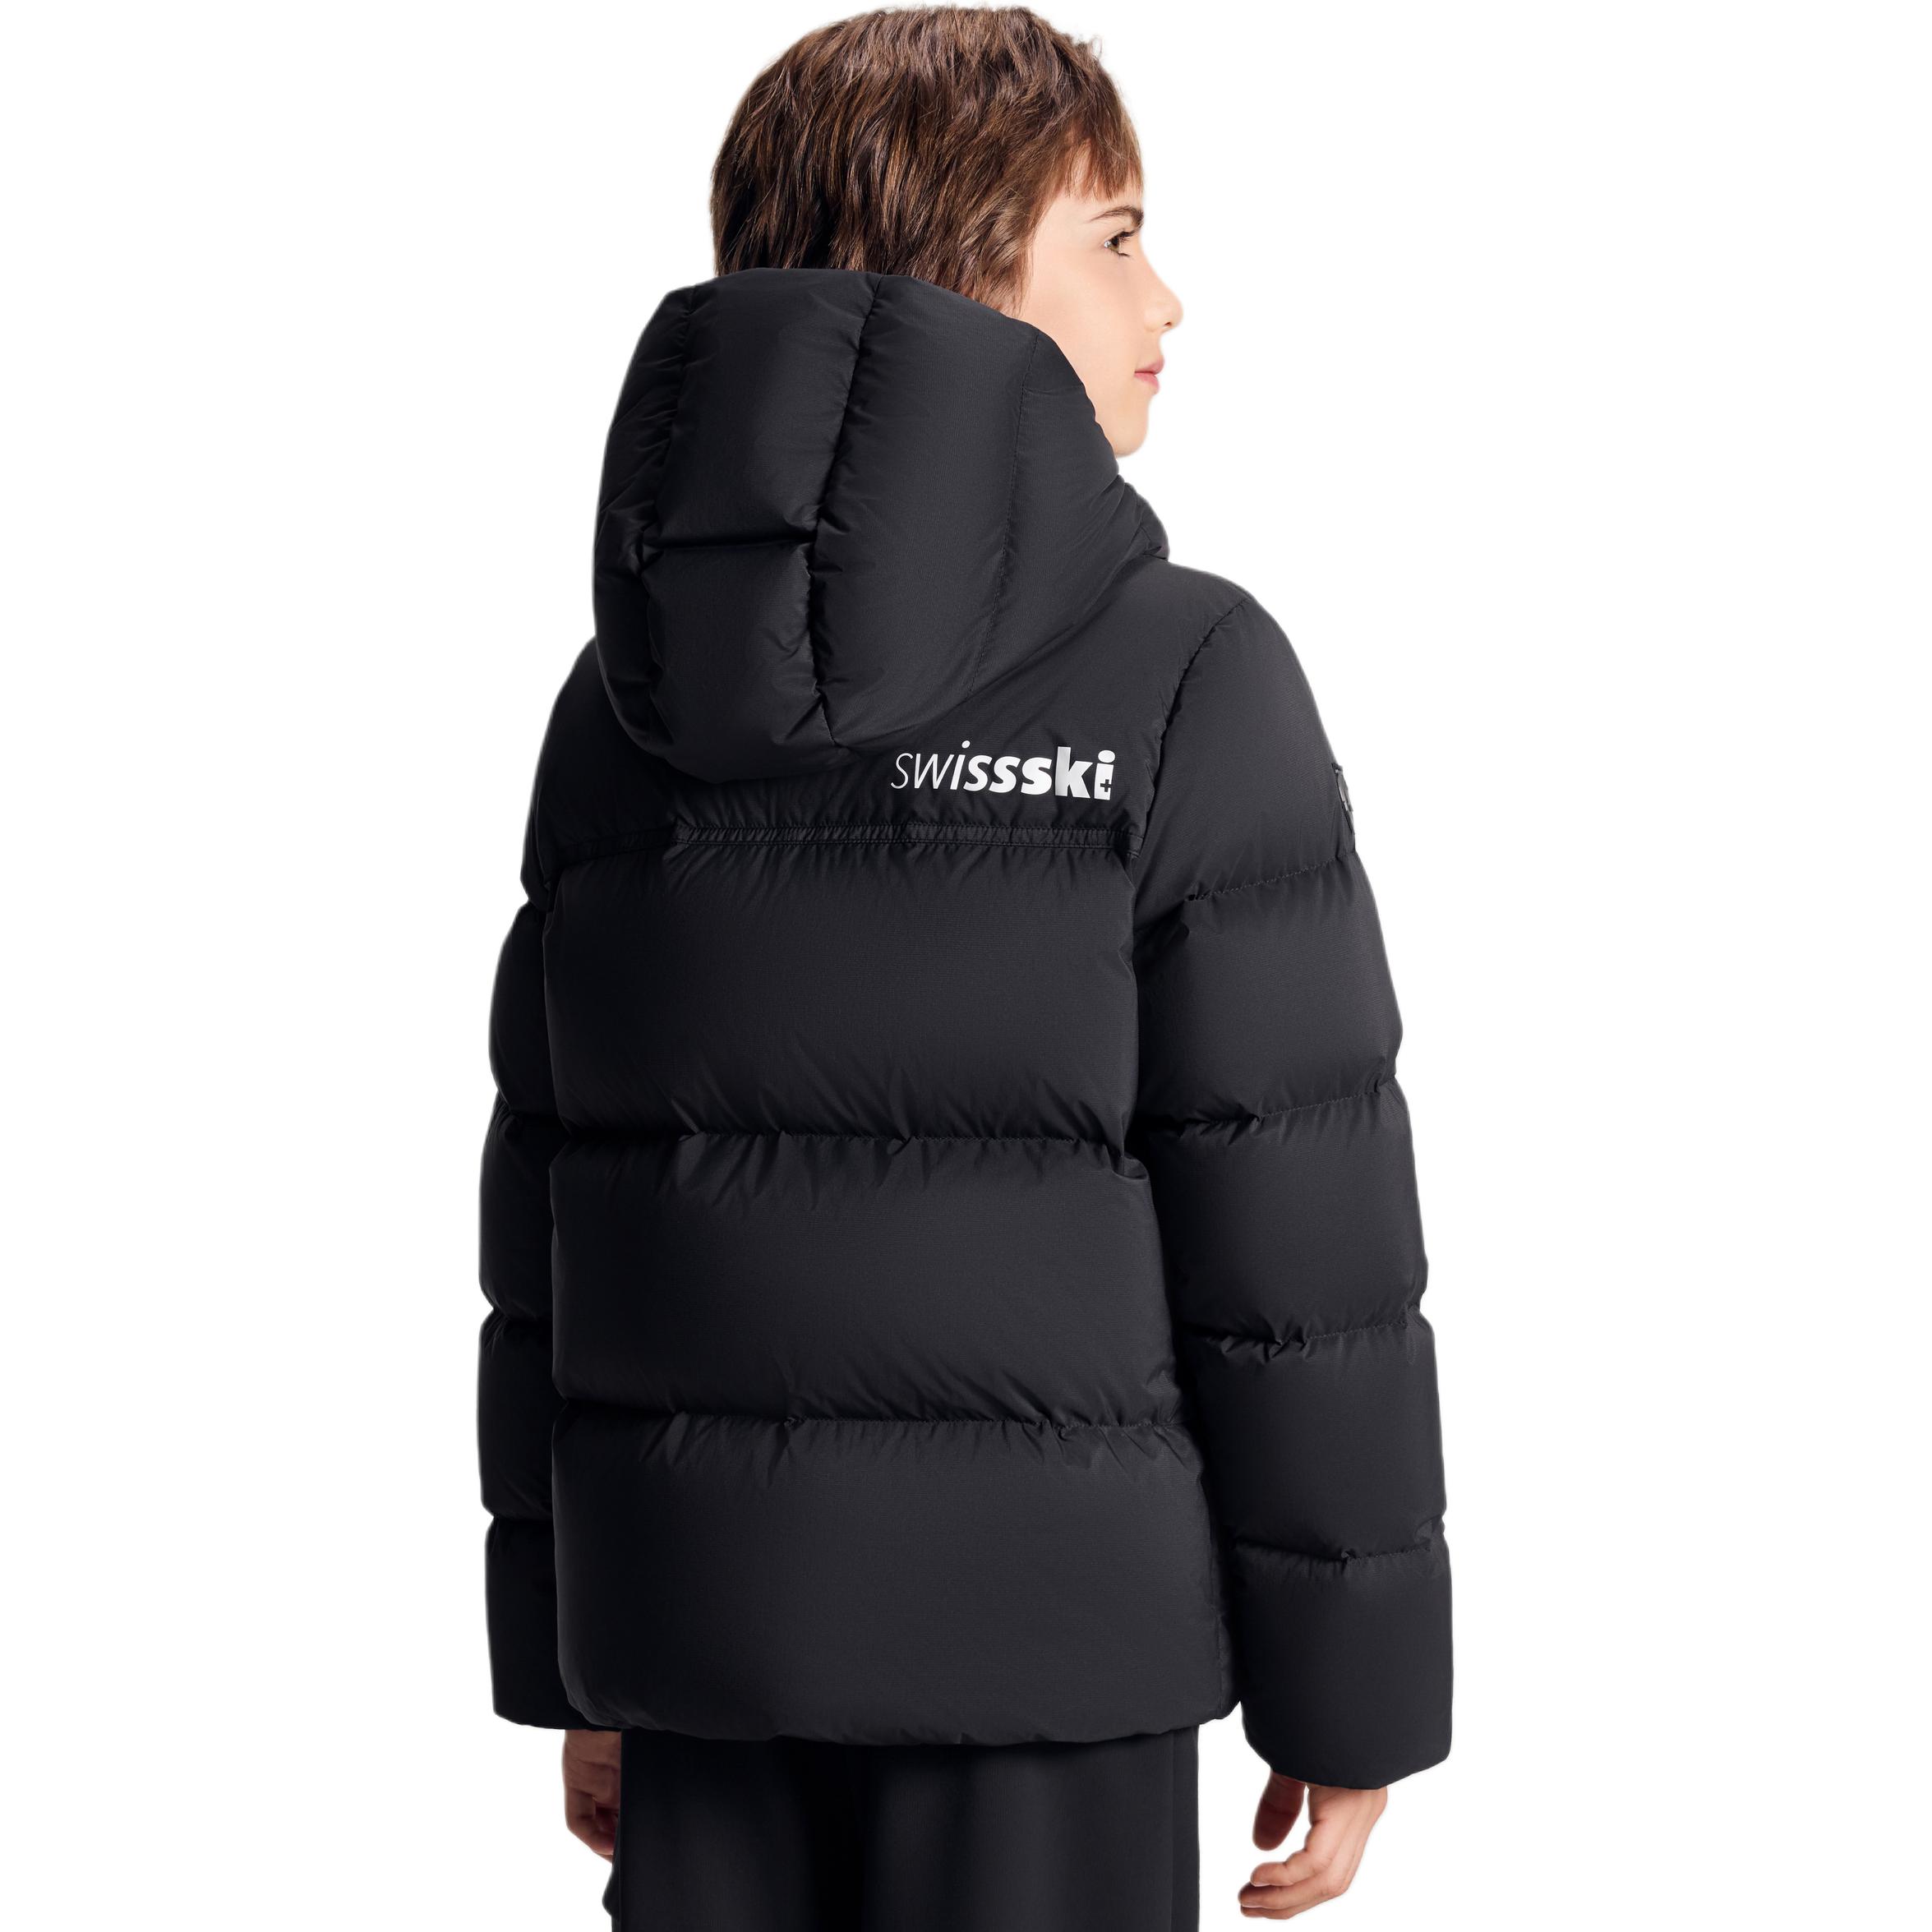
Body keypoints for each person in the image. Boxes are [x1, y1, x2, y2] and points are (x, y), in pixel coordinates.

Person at [475, 9, 1450, 1925]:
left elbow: (553, 1225)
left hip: (699, 1658)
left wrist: (581, 1657)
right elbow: (1300, 1246)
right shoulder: (1189, 676)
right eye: (1118, 234)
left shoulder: (628, 699)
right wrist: (1352, 1691)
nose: (1169, 296)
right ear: (967, 267)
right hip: (1052, 1687)